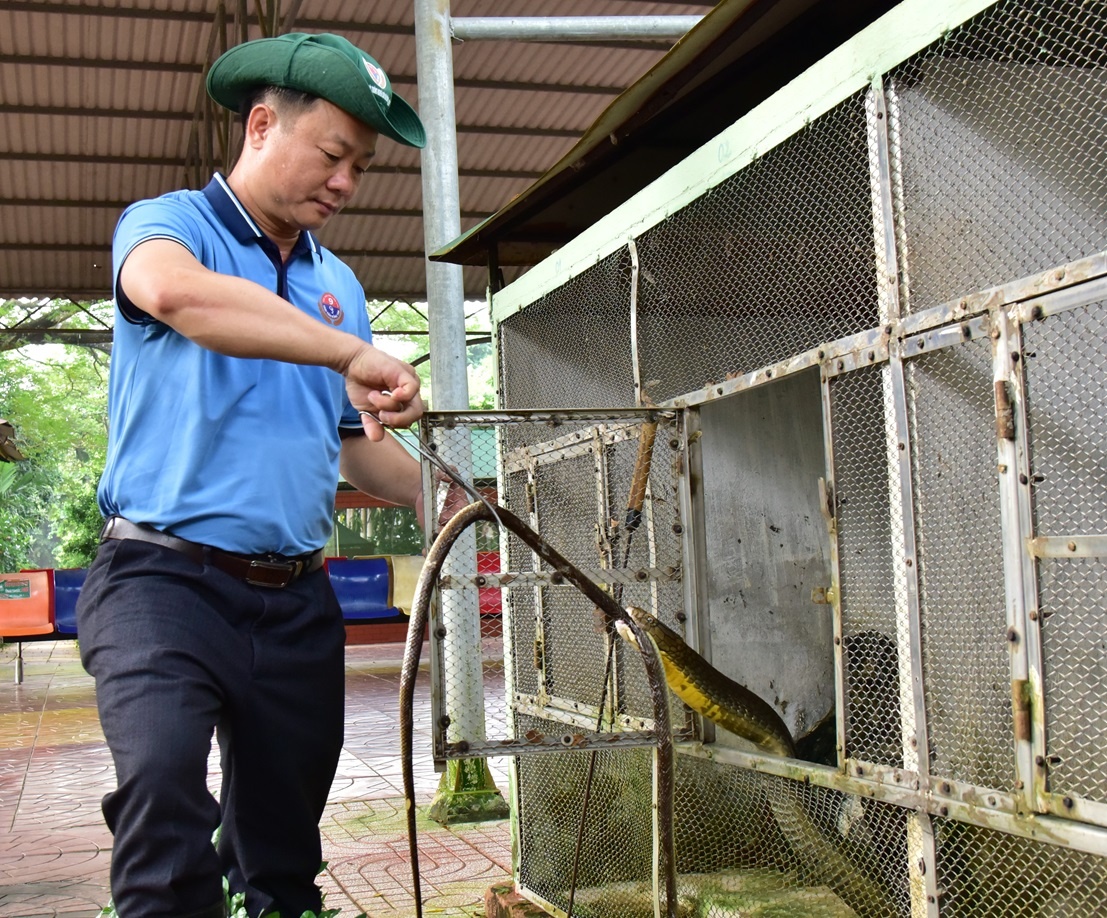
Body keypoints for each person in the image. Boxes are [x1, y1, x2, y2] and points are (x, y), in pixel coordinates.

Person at [77, 33, 430, 918]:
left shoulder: (336, 283)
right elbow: (176, 298)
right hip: (161, 578)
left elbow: (351, 443)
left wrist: (454, 497)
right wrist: (351, 349)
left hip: (294, 598)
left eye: (359, 167)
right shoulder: (168, 226)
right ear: (264, 125)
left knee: (281, 840)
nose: (345, 183)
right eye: (333, 155)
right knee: (162, 785)